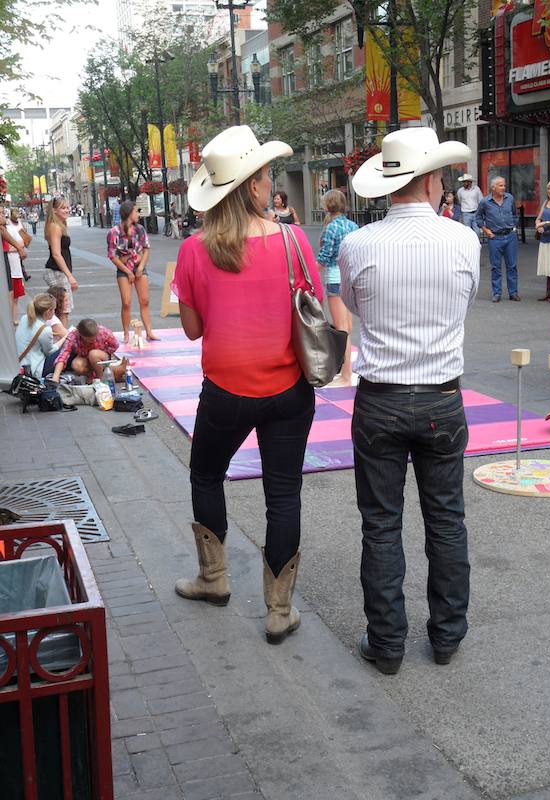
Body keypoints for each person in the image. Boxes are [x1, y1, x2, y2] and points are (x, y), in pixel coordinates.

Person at [172, 124, 323, 644]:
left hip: (226, 392)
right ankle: (279, 611)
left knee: (206, 474)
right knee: (283, 493)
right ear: (255, 186)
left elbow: (192, 330)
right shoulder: (292, 240)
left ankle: (214, 579)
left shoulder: (193, 251)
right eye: (265, 176)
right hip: (288, 391)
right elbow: (313, 310)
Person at [338, 127, 479, 674]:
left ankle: (388, 643)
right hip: (442, 397)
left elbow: (352, 309)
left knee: (381, 523)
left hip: (380, 400)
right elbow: (463, 304)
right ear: (430, 179)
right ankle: (446, 636)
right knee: (446, 520)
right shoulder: (462, 240)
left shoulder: (358, 244)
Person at [316, 189, 357, 385]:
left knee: (341, 328)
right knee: (347, 327)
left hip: (334, 277)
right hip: (349, 277)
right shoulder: (353, 225)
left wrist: (311, 272)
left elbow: (325, 257)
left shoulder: (330, 228)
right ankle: (346, 371)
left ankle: (346, 374)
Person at [107, 200, 159, 344]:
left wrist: (141, 267)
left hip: (138, 267)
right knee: (127, 302)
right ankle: (126, 333)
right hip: (124, 270)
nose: (138, 214)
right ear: (129, 213)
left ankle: (149, 331)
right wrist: (127, 271)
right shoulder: (114, 232)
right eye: (136, 211)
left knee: (145, 300)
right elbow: (112, 255)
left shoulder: (140, 229)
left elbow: (146, 248)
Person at [475, 177, 519, 302]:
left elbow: (514, 214)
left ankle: (513, 292)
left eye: (504, 185)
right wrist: (485, 230)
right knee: (496, 266)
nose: (503, 188)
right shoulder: (485, 202)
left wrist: (514, 226)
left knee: (512, 266)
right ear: (493, 188)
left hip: (510, 236)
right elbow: (478, 218)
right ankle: (497, 293)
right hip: (495, 237)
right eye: (500, 186)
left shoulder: (509, 198)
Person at [51, 318, 126, 383]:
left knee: (93, 354)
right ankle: (96, 375)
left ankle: (101, 378)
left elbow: (115, 345)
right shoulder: (73, 335)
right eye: (88, 340)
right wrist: (56, 376)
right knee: (76, 365)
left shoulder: (103, 331)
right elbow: (64, 354)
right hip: (84, 357)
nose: (91, 341)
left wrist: (106, 352)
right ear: (80, 334)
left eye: (94, 339)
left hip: (101, 355)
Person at [44, 197, 77, 326]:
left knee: (62, 309)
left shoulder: (59, 225)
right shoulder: (55, 227)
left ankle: (61, 338)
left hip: (58, 271)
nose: (67, 210)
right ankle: (63, 340)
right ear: (54, 210)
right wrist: (69, 276)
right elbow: (56, 254)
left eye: (67, 207)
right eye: (63, 208)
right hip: (56, 271)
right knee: (63, 310)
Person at [15, 293, 60, 379]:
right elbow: (49, 351)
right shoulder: (45, 330)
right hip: (33, 369)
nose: (54, 312)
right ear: (48, 311)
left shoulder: (24, 318)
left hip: (19, 364)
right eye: (54, 309)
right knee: (65, 348)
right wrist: (65, 337)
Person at [5, 208, 27, 323]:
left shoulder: (10, 228)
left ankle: (13, 319)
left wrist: (9, 249)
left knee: (15, 296)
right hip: (7, 266)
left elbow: (22, 242)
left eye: (3, 213)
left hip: (14, 265)